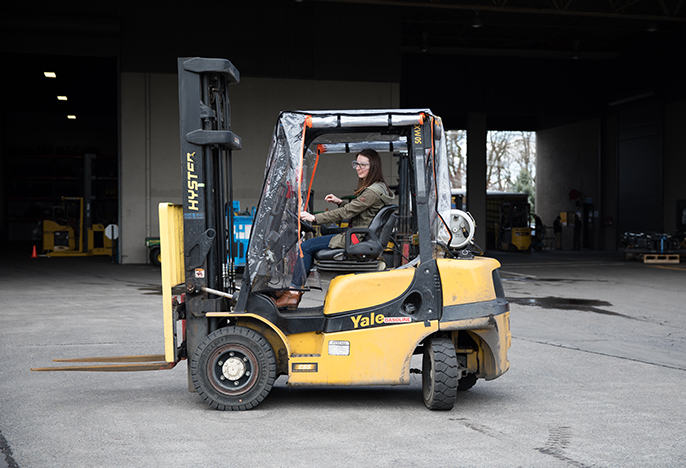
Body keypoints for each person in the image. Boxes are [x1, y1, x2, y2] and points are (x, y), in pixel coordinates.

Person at [274, 148, 395, 309]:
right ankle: (292, 291)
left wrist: (314, 218)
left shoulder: (372, 191)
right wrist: (339, 201)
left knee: (306, 246)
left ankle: (294, 293)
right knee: (321, 235)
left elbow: (347, 212)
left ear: (373, 166)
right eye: (356, 163)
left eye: (363, 164)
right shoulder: (378, 188)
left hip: (356, 237)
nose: (358, 167)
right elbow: (358, 208)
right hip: (360, 235)